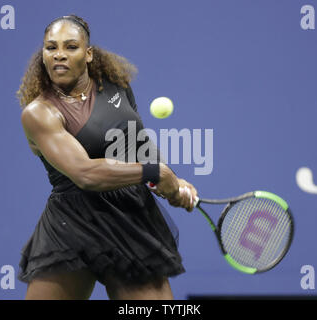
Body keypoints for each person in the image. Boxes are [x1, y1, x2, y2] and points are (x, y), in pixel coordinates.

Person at [15, 14, 198, 300]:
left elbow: (138, 147)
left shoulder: (114, 84)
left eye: (70, 47)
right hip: (71, 225)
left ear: (88, 54)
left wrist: (172, 183)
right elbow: (85, 174)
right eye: (51, 48)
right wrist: (156, 174)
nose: (59, 55)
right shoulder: (39, 113)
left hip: (130, 217)